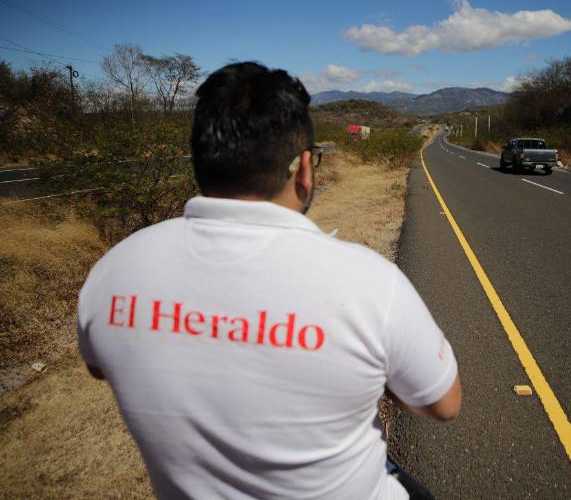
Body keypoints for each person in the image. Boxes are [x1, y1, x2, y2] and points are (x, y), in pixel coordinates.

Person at [77, 62, 461, 500]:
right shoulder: (370, 283)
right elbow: (443, 404)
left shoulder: (115, 268)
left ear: (201, 162)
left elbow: (96, 364)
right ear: (303, 168)